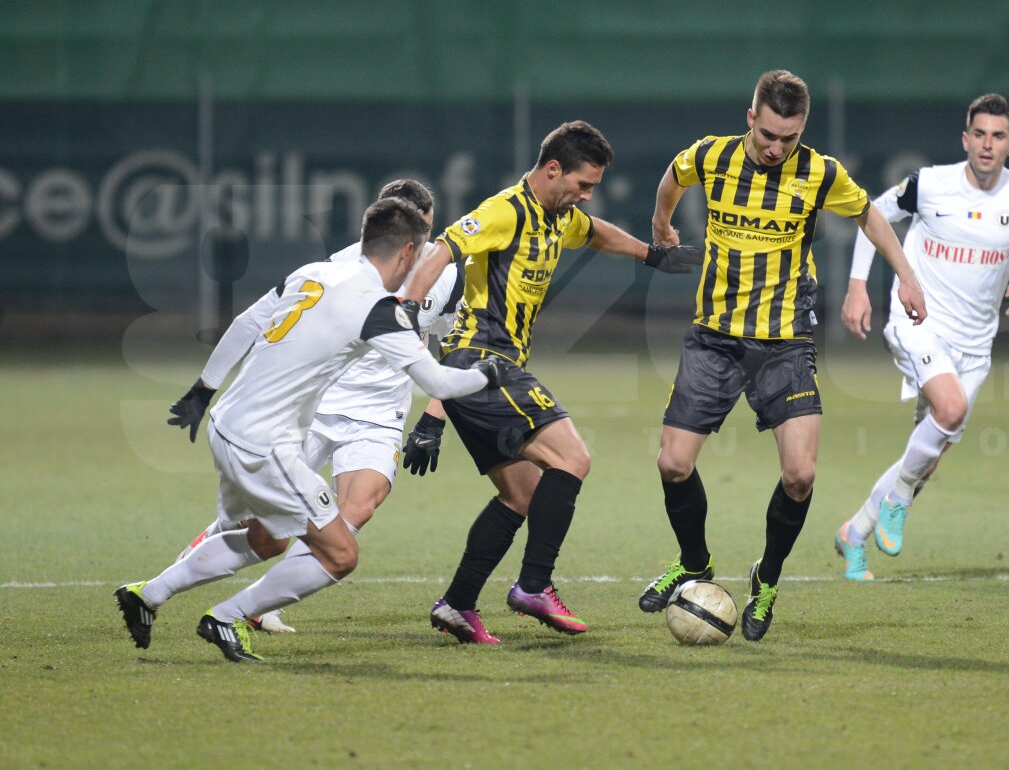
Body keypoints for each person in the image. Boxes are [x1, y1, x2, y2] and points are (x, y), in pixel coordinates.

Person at [114, 198, 512, 663]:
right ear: (408, 252)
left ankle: (147, 594)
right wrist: (490, 373)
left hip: (227, 424)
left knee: (266, 538)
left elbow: (247, 322)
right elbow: (440, 381)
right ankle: (227, 617)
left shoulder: (313, 273)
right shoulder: (376, 308)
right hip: (265, 446)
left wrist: (203, 391)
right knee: (340, 554)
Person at [636, 69, 927, 641]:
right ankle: (694, 563)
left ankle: (765, 578)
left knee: (799, 475)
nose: (776, 148)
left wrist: (907, 277)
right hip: (714, 334)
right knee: (673, 463)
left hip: (785, 338)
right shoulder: (713, 157)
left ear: (803, 131)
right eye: (768, 134)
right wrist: (661, 222)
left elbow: (869, 214)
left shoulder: (819, 172)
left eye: (788, 138)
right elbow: (674, 173)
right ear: (751, 118)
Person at [398, 120, 702, 643]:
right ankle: (534, 584)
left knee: (521, 496)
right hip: (484, 362)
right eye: (583, 185)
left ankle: (457, 602)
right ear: (553, 169)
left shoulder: (560, 215)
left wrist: (653, 256)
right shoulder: (505, 210)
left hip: (485, 371)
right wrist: (404, 308)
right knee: (573, 459)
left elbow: (597, 231)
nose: (587, 196)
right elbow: (444, 249)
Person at [165, 180, 461, 634]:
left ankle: (258, 603)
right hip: (318, 407)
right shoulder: (343, 266)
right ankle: (188, 566)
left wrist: (435, 419)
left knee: (357, 509)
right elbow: (267, 323)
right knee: (263, 524)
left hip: (380, 418)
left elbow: (454, 345)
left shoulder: (447, 275)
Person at [834, 93, 1009, 580]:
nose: (987, 144)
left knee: (925, 459)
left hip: (976, 346)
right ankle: (897, 503)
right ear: (965, 139)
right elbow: (871, 213)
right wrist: (857, 287)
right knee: (950, 411)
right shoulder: (930, 185)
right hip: (918, 320)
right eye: (979, 134)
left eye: (997, 136)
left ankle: (854, 532)